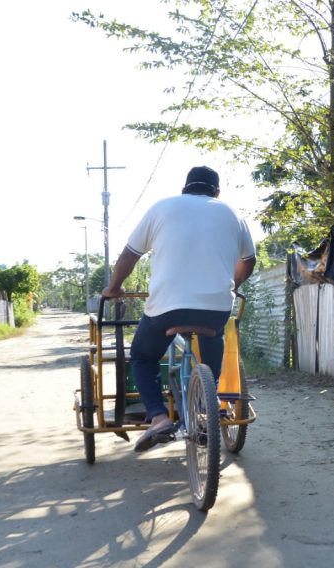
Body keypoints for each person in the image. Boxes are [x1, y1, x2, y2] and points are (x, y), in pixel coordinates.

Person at [102, 165, 256, 452]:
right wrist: (231, 285)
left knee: (143, 356)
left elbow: (129, 255)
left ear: (184, 189)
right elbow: (249, 261)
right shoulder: (233, 214)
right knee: (213, 341)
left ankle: (159, 417)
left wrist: (113, 288)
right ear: (216, 192)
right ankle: (211, 403)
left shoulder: (162, 208)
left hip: (166, 308)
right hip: (215, 308)